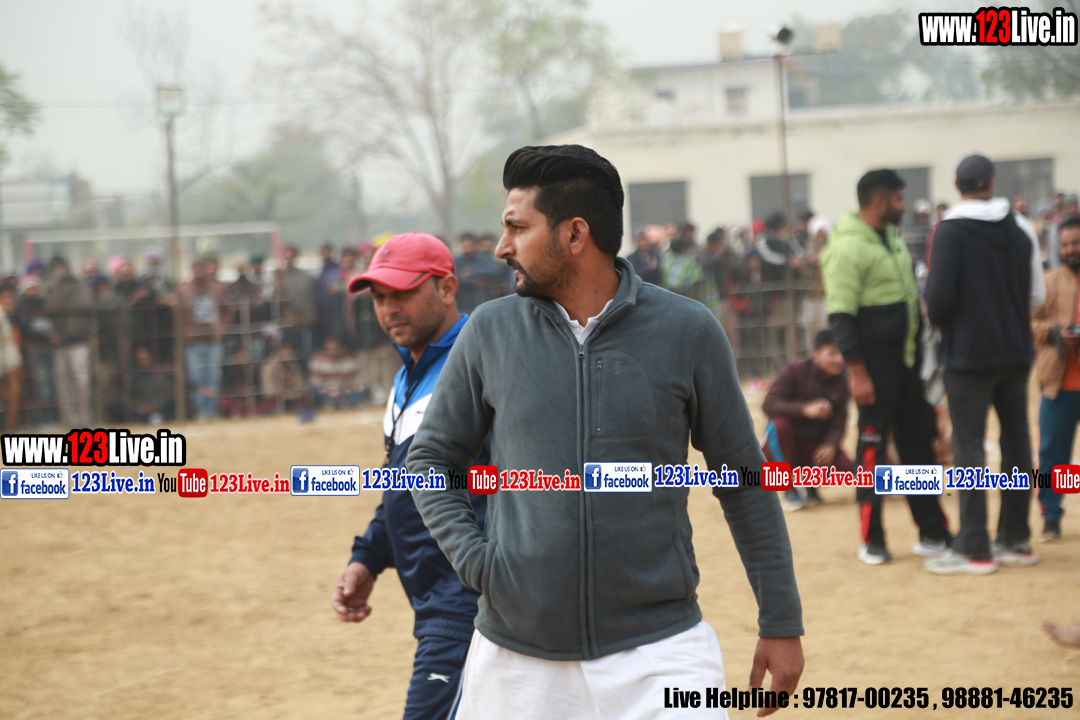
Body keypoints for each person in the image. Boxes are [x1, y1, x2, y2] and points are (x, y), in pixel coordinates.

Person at [407, 145, 803, 719]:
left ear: (575, 234)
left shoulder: (689, 331)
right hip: (515, 658)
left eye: (518, 227)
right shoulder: (489, 331)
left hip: (661, 651)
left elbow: (745, 482)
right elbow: (431, 461)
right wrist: (482, 565)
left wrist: (781, 620)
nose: (501, 247)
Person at [333, 232, 489, 720]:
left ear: (447, 288)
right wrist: (368, 557)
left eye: (402, 292)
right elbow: (403, 488)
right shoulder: (406, 375)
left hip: (470, 606)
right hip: (438, 605)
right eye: (379, 297)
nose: (389, 309)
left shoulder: (482, 362)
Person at [820, 169, 952, 565]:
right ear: (879, 202)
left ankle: (933, 533)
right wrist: (857, 372)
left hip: (907, 362)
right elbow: (841, 316)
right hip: (873, 366)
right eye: (898, 199)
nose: (903, 206)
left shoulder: (891, 237)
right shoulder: (847, 247)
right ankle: (872, 538)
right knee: (873, 452)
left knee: (918, 447)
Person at [924, 154, 1045, 575]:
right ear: (991, 182)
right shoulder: (1021, 227)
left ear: (957, 185)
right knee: (1016, 443)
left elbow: (938, 302)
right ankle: (1015, 539)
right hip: (1015, 351)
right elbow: (1036, 296)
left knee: (969, 448)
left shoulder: (949, 230)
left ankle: (974, 547)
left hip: (968, 355)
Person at [762, 330, 854, 511]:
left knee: (847, 466)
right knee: (780, 426)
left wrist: (831, 445)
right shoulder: (794, 370)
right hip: (783, 446)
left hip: (813, 446)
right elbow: (769, 404)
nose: (839, 359)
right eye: (832, 353)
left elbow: (839, 421)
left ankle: (811, 484)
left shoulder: (842, 382)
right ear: (816, 354)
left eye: (841, 353)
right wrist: (804, 409)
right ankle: (788, 489)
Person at [1030, 216, 1080, 543]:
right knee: (1052, 456)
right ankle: (1051, 516)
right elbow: (1027, 323)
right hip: (1057, 385)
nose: (1070, 249)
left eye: (1076, 243)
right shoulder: (1047, 282)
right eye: (1065, 244)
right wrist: (1054, 333)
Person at [44, 256, 95, 427]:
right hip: (58, 343)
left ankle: (85, 418)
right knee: (63, 384)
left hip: (79, 341)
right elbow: (51, 307)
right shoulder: (48, 287)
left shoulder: (79, 285)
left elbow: (87, 305)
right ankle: (69, 419)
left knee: (82, 381)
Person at [308, 335, 365, 409]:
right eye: (328, 350)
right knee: (312, 391)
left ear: (342, 349)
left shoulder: (352, 361)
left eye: (335, 349)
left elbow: (357, 381)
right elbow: (316, 384)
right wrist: (330, 392)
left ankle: (343, 404)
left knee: (365, 390)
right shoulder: (317, 362)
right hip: (326, 395)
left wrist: (346, 391)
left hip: (348, 394)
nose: (331, 353)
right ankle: (340, 405)